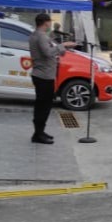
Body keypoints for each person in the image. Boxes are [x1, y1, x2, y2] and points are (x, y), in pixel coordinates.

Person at [29, 13, 75, 144]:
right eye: (49, 22)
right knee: (43, 106)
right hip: (44, 76)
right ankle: (38, 134)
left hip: (43, 74)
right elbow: (48, 52)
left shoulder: (37, 35)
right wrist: (63, 45)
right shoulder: (41, 36)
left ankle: (40, 132)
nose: (50, 24)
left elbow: (52, 50)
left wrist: (61, 47)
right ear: (45, 23)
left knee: (43, 105)